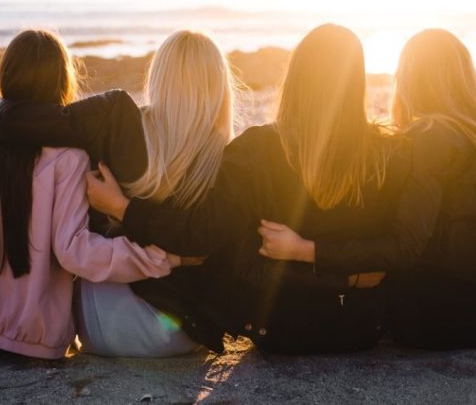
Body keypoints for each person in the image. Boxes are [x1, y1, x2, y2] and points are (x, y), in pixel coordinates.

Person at [87, 24, 417, 354]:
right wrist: (347, 277)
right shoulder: (391, 152)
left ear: (295, 77)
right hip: (363, 327)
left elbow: (237, 261)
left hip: (279, 329)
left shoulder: (256, 151)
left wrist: (124, 210)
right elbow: (400, 249)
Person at [257, 28, 476, 350]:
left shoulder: (429, 138)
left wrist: (307, 250)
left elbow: (405, 249)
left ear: (411, 79)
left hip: (438, 318)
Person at [0, 30, 238, 355]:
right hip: (188, 337)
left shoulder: (118, 119)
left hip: (106, 326)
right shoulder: (229, 158)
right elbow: (204, 239)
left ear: (159, 75)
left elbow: (33, 121)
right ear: (220, 87)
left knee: (80, 231)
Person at [0, 29, 175, 359]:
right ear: (63, 82)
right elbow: (76, 252)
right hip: (28, 339)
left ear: (5, 75)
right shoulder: (67, 158)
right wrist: (157, 257)